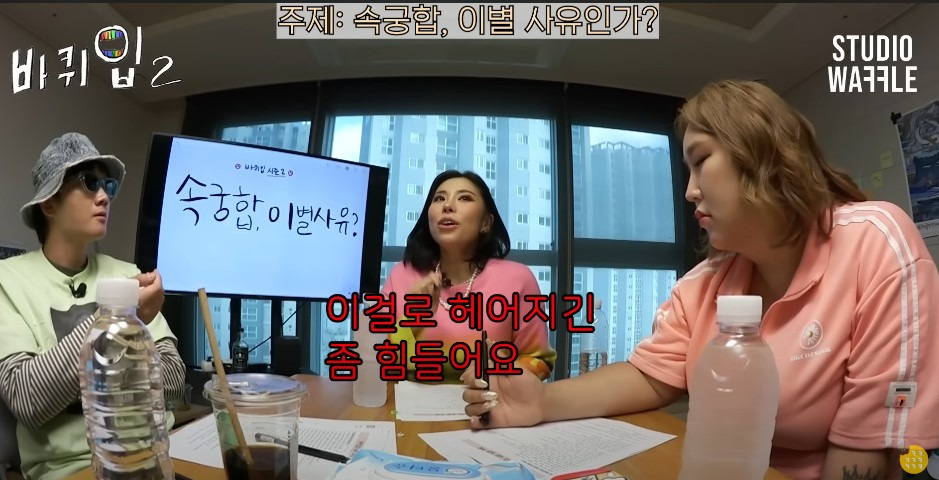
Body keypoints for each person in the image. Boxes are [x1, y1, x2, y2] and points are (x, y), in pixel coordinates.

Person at [461, 80, 939, 480]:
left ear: (761, 151)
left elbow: (867, 447)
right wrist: (541, 402)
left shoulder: (875, 242)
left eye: (701, 160)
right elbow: (650, 375)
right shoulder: (703, 285)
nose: (690, 191)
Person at [0, 133, 186, 480]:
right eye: (89, 183)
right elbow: (27, 399)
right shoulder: (7, 280)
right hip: (69, 470)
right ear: (49, 204)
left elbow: (175, 381)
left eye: (108, 186)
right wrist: (120, 318)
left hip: (153, 459)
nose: (104, 197)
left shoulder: (128, 274)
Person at [380, 170, 557, 383]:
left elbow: (539, 361)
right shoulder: (402, 274)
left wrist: (494, 374)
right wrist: (412, 319)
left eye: (464, 198)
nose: (448, 206)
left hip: (490, 401)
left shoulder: (519, 278)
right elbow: (377, 358)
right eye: (439, 199)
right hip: (407, 402)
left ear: (485, 223)